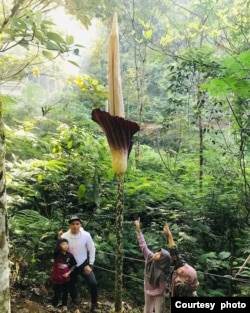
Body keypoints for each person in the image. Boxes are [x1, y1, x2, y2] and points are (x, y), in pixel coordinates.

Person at [58, 215, 98, 312]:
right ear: (69, 225)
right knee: (71, 284)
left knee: (93, 283)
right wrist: (58, 239)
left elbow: (92, 249)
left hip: (83, 263)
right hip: (70, 265)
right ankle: (74, 301)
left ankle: (94, 304)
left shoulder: (86, 235)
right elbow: (60, 251)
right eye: (72, 224)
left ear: (80, 225)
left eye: (77, 224)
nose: (75, 226)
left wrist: (90, 265)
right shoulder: (65, 236)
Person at [134, 218, 171, 313]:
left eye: (159, 255)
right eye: (157, 252)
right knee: (147, 310)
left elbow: (161, 289)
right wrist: (138, 229)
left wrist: (152, 292)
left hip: (157, 293)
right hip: (147, 289)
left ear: (162, 260)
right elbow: (143, 245)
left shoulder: (162, 273)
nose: (156, 254)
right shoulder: (150, 257)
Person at [163, 224, 199, 297]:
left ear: (186, 280)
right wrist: (169, 235)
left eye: (181, 273)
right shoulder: (181, 266)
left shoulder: (187, 289)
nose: (178, 271)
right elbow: (173, 250)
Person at [50, 238, 77, 312]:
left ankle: (64, 305)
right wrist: (58, 239)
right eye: (63, 244)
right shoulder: (57, 254)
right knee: (57, 292)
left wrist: (69, 273)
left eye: (66, 244)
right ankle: (53, 305)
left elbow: (74, 265)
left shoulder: (70, 255)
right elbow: (55, 250)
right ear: (60, 246)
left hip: (66, 277)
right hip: (58, 277)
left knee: (65, 292)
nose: (65, 246)